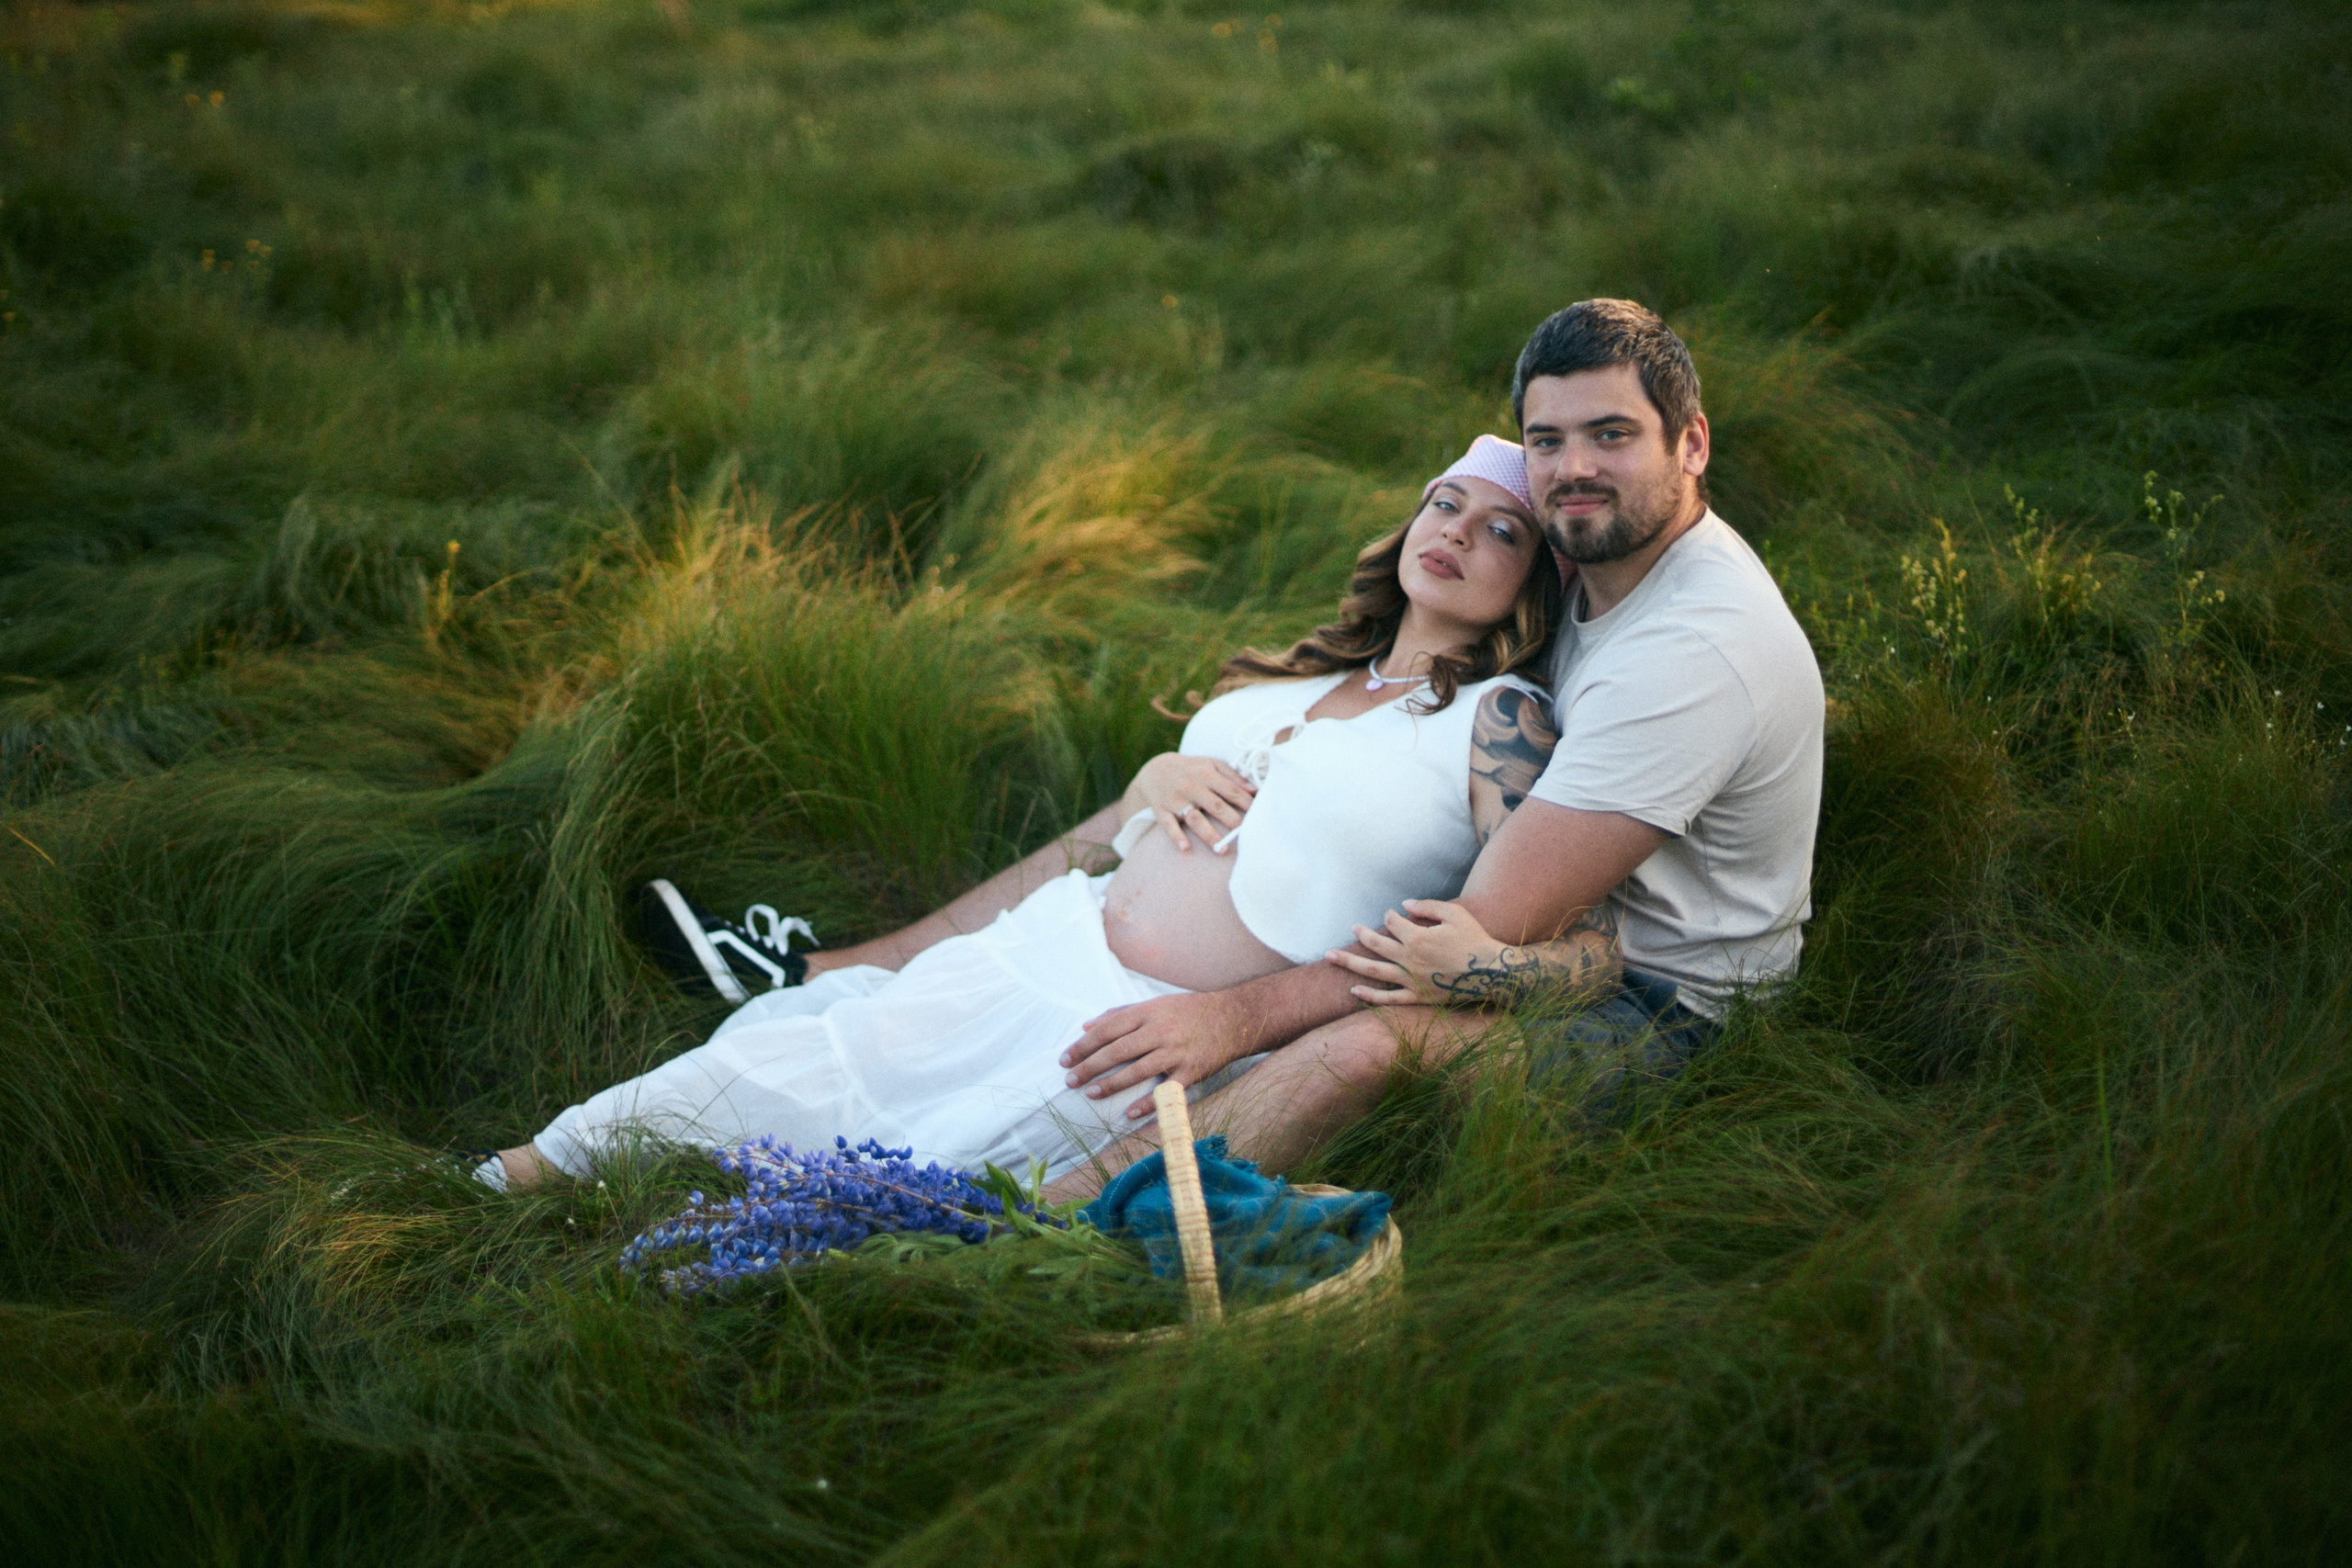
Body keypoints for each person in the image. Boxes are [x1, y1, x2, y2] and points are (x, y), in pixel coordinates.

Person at [482, 436, 1568, 1190]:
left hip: (1155, 1024)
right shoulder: (1291, 683)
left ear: (1533, 583)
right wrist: (1149, 779)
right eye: (1445, 503)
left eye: (1503, 531)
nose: (1459, 533)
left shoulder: (1498, 719)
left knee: (934, 1169)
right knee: (774, 1076)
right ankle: (485, 1190)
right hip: (1042, 944)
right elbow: (1109, 833)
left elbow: (1528, 930)